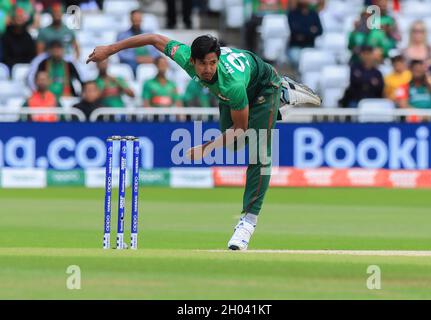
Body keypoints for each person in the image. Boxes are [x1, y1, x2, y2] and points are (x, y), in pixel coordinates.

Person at [86, 33, 321, 250]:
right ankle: (284, 93)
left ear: (217, 60)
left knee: (258, 150)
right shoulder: (185, 57)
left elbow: (240, 128)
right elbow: (152, 38)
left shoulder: (232, 84)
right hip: (235, 90)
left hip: (263, 86)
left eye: (212, 63)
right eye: (202, 64)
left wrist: (205, 148)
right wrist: (110, 48)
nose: (207, 69)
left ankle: (248, 222)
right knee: (234, 144)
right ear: (192, 61)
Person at [117, 9, 160, 75]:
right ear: (130, 19)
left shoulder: (149, 34)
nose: (137, 20)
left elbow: (156, 51)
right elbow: (121, 54)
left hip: (149, 61)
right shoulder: (122, 36)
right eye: (135, 18)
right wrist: (136, 59)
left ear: (142, 19)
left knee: (162, 63)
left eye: (138, 18)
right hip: (132, 63)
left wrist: (150, 58)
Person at [287, 0, 323, 69]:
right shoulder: (292, 13)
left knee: (313, 62)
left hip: (310, 46)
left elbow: (320, 31)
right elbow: (294, 30)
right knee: (296, 59)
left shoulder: (313, 14)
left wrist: (302, 32)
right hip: (296, 46)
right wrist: (311, 30)